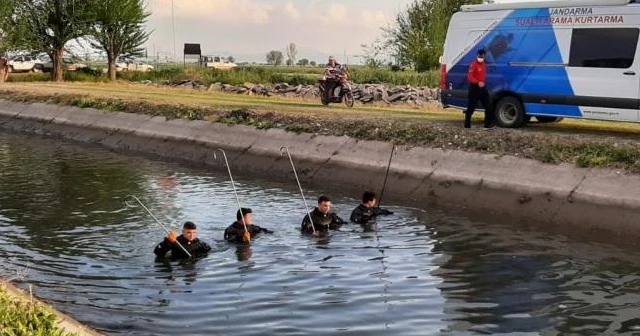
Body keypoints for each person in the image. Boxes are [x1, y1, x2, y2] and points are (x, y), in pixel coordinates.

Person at [464, 49, 495, 130]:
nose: (480, 58)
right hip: (474, 88)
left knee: (488, 105)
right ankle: (467, 125)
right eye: (479, 56)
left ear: (484, 56)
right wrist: (477, 82)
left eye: (482, 56)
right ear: (477, 56)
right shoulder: (473, 64)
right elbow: (470, 77)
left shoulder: (484, 64)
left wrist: (482, 83)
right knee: (471, 107)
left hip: (482, 88)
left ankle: (487, 124)